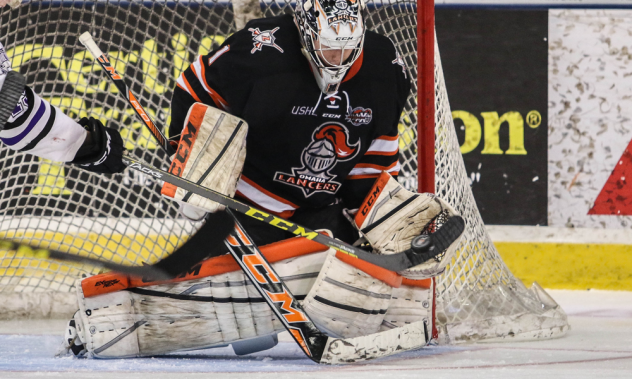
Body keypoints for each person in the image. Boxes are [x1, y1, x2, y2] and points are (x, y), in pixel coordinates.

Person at [0, 0, 462, 358]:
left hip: (325, 210)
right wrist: (193, 160)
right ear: (305, 30)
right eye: (329, 46)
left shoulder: (384, 67)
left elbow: (376, 157)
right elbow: (193, 90)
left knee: (394, 251)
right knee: (251, 335)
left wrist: (382, 217)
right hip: (251, 208)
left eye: (347, 47)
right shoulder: (262, 54)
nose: (338, 58)